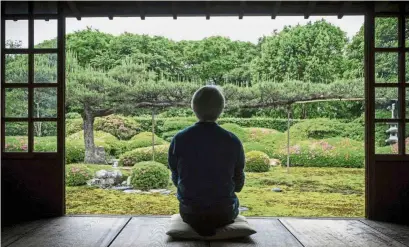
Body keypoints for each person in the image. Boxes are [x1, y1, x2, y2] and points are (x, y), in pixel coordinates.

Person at [168, 85, 246, 237]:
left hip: (190, 213)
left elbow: (176, 177)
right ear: (221, 109)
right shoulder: (232, 140)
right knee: (233, 201)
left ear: (193, 108)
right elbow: (238, 185)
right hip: (224, 213)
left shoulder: (180, 139)